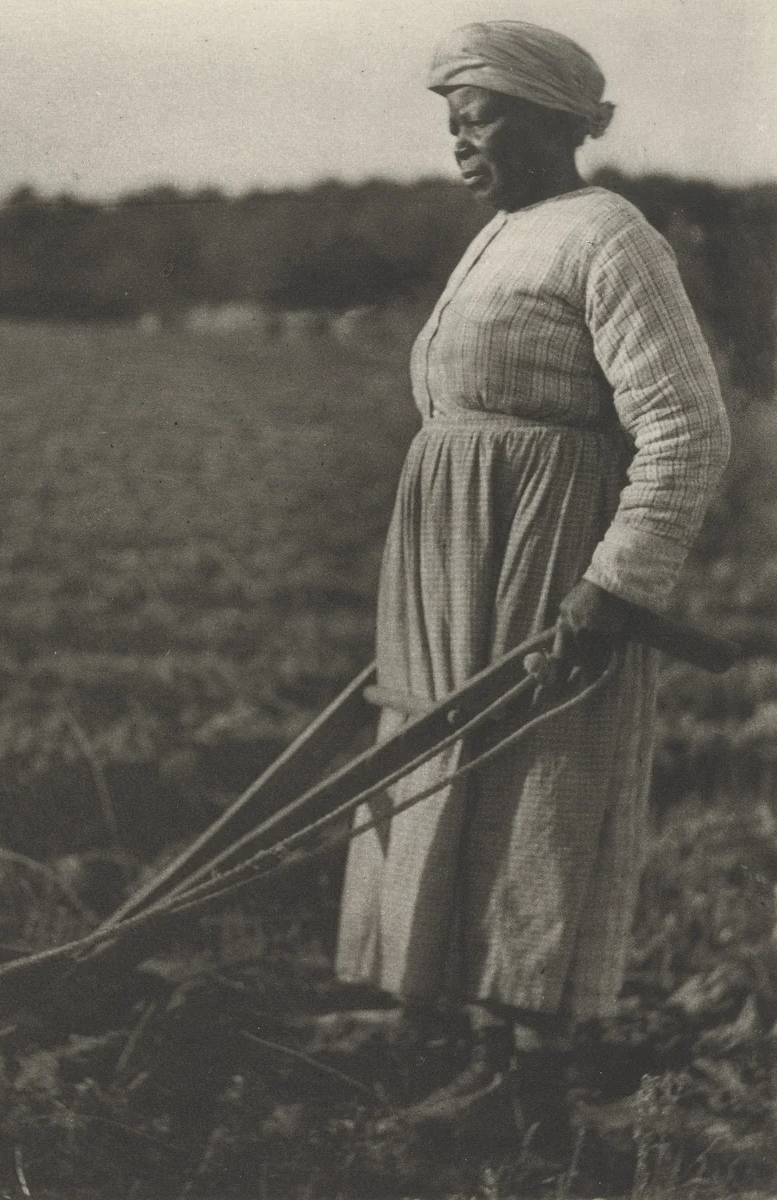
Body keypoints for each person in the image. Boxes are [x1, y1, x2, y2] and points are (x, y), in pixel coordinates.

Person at [334, 20, 731, 1147]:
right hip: (462, 559)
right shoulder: (507, 232)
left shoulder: (611, 236)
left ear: (561, 122)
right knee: (457, 789)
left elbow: (687, 430)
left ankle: (535, 1098)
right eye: (451, 113)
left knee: (540, 803)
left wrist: (617, 583)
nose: (460, 131)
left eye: (485, 109)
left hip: (548, 560)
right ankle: (483, 1059)